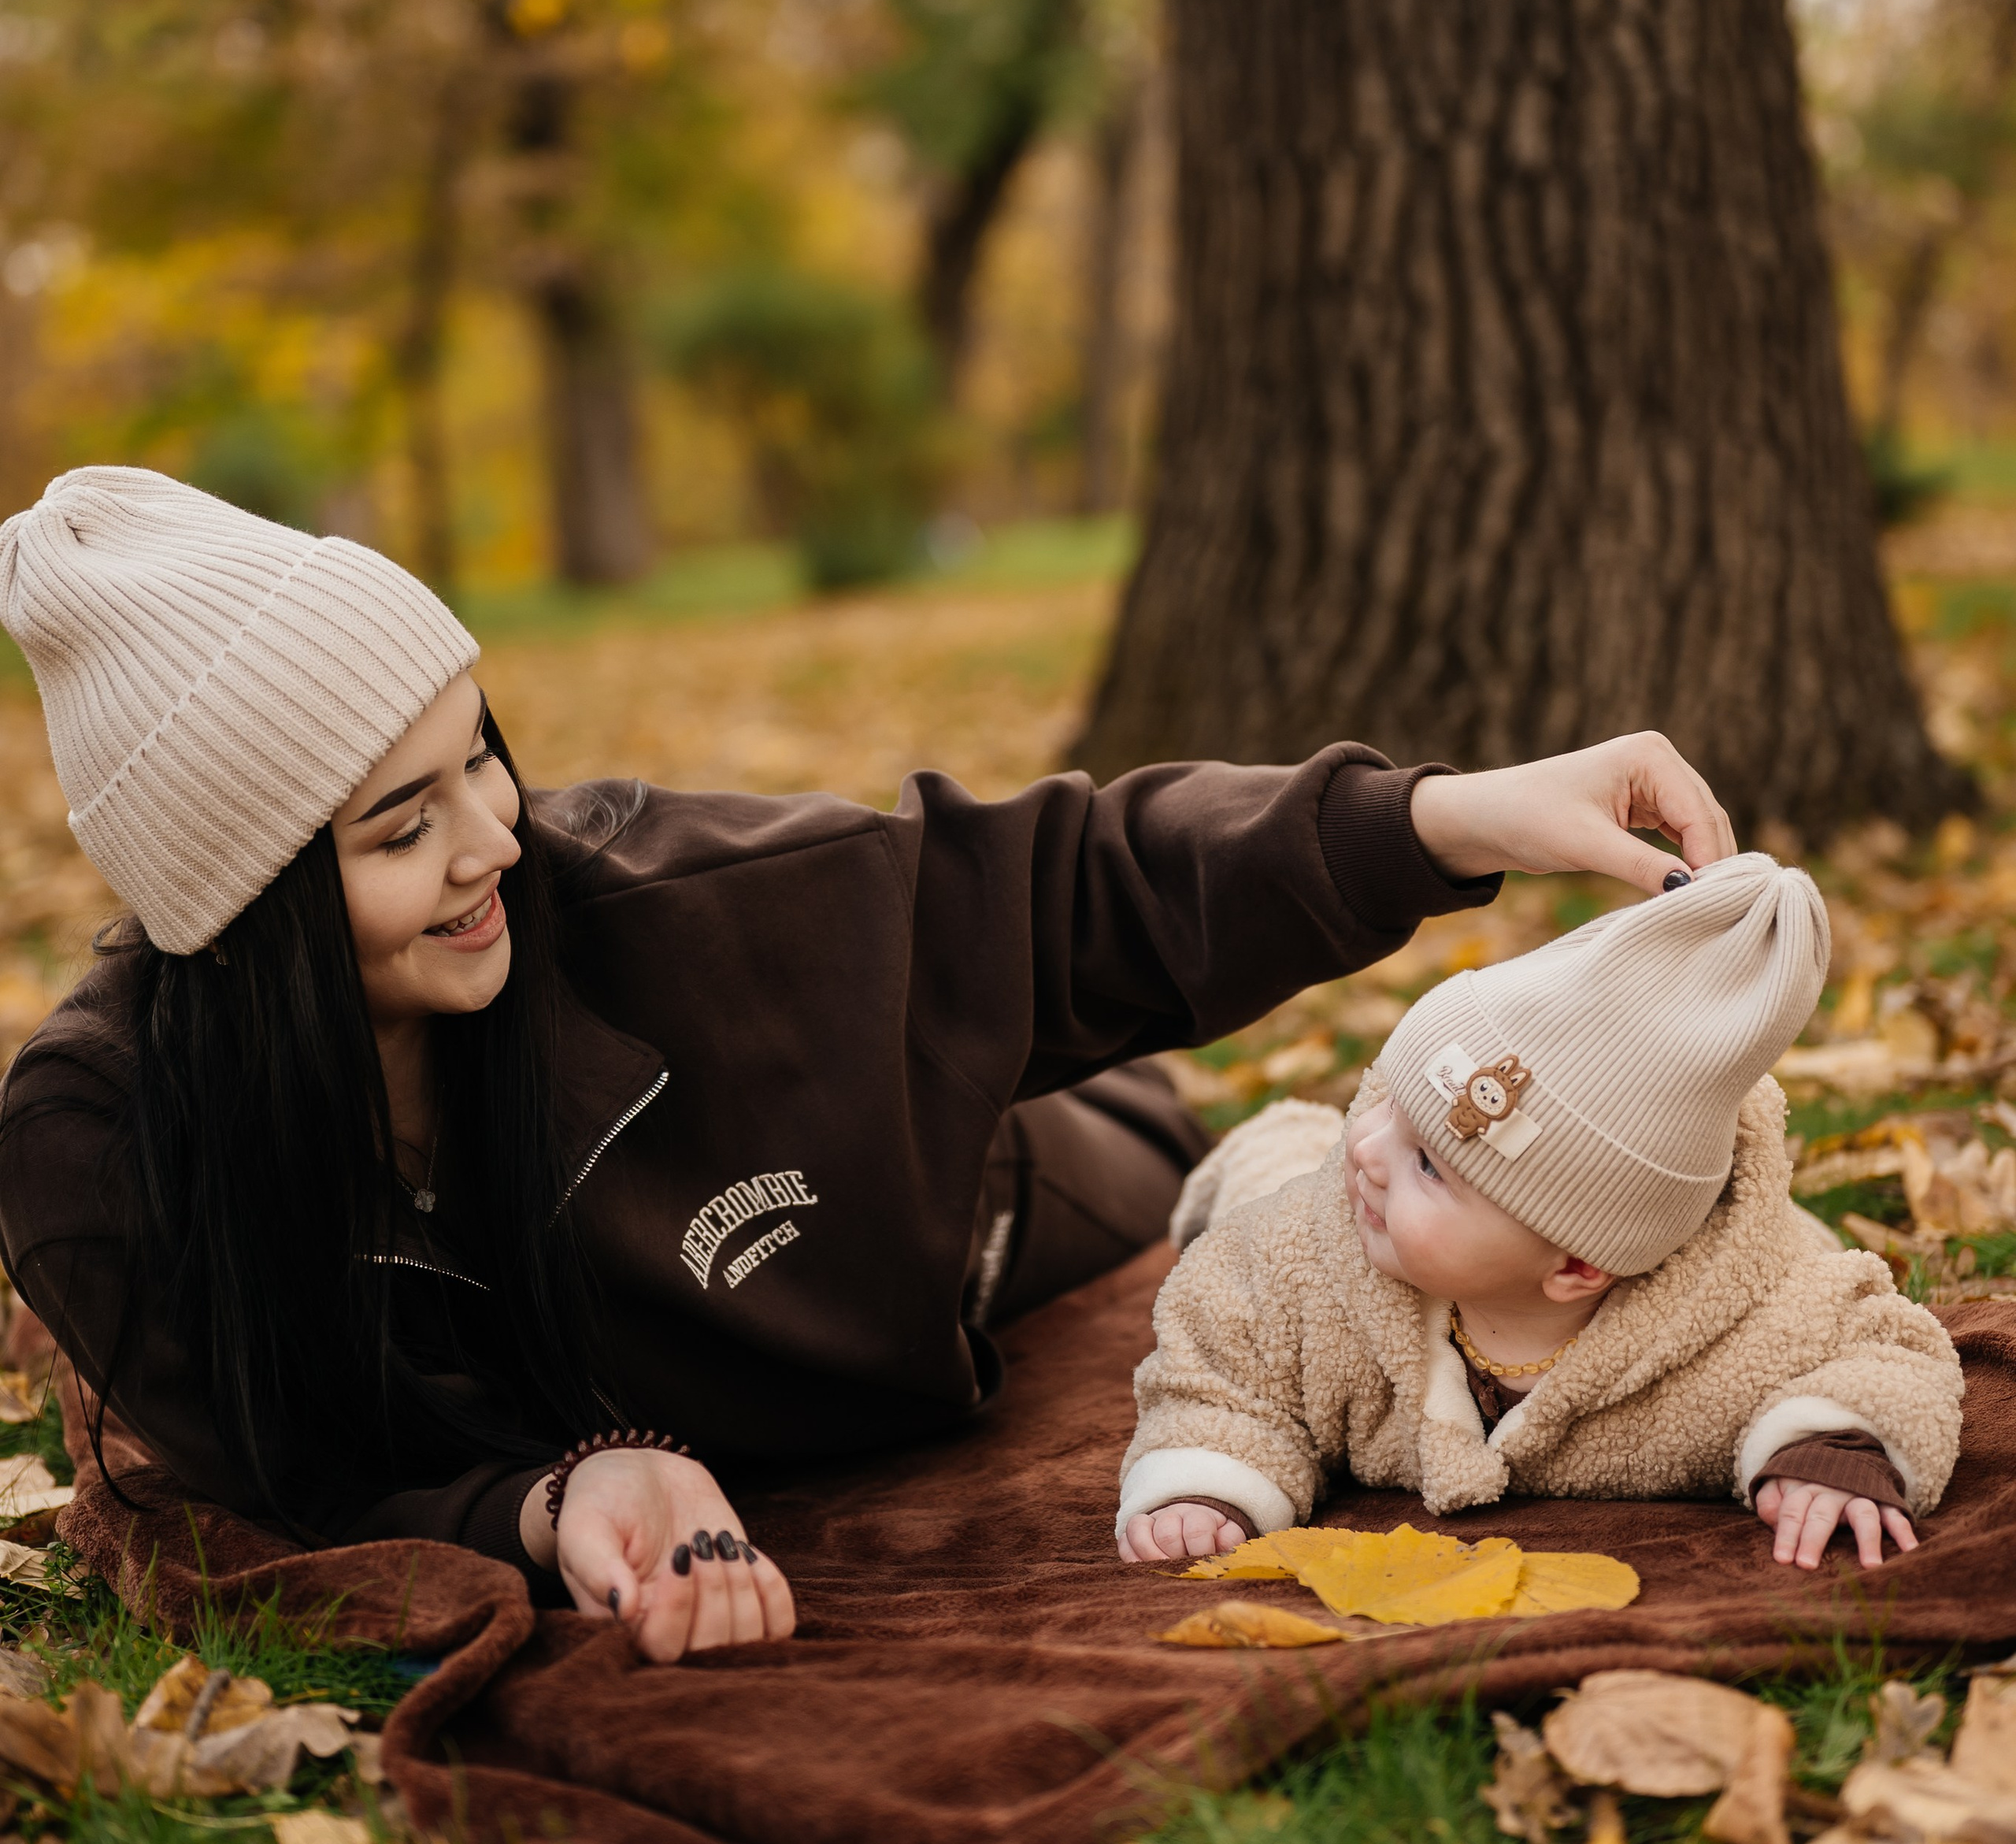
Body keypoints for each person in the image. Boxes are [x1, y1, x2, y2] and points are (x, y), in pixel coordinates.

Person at [0, 466, 1736, 1668]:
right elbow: (280, 1469)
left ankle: (1267, 1165)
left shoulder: (669, 901)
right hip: (744, 1358)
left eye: (482, 761)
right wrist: (545, 1502)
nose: (493, 843)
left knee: (1198, 1170)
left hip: (985, 1192)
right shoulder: (101, 1161)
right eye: (403, 825)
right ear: (244, 915)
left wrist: (1438, 820)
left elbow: (1066, 894)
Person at [1117, 855, 1962, 1577]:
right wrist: (1207, 1475)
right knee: (1284, 1168)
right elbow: (1220, 1359)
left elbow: (1880, 1347)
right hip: (1292, 1199)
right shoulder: (1299, 1262)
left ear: (1574, 1267)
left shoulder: (1743, 1324)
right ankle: (1265, 1140)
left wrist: (1830, 1449)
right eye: (1392, 1103)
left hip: (1680, 1259)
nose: (1367, 1149)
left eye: (1427, 1163)